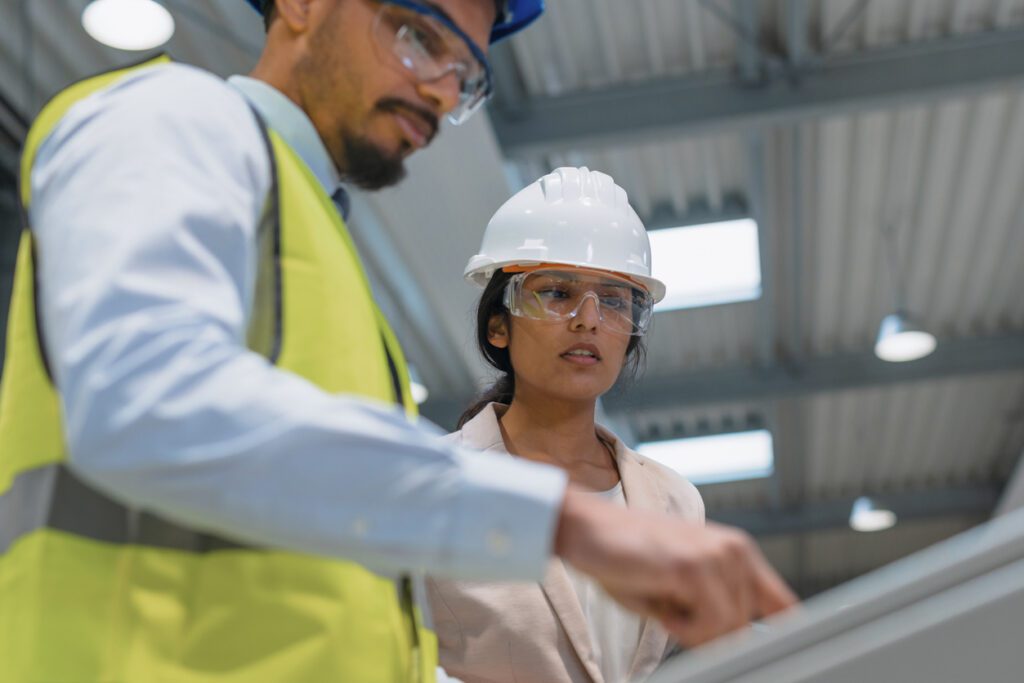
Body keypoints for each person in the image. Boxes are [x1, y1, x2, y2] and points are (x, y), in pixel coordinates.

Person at [0, 1, 796, 681]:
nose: (441, 89)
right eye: (418, 32)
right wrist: (573, 521)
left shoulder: (324, 257)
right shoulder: (168, 119)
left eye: (466, 72)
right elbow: (146, 396)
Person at [428, 166, 702, 683]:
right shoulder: (437, 483)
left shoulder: (676, 502)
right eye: (556, 293)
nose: (588, 319)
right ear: (498, 325)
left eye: (616, 300)